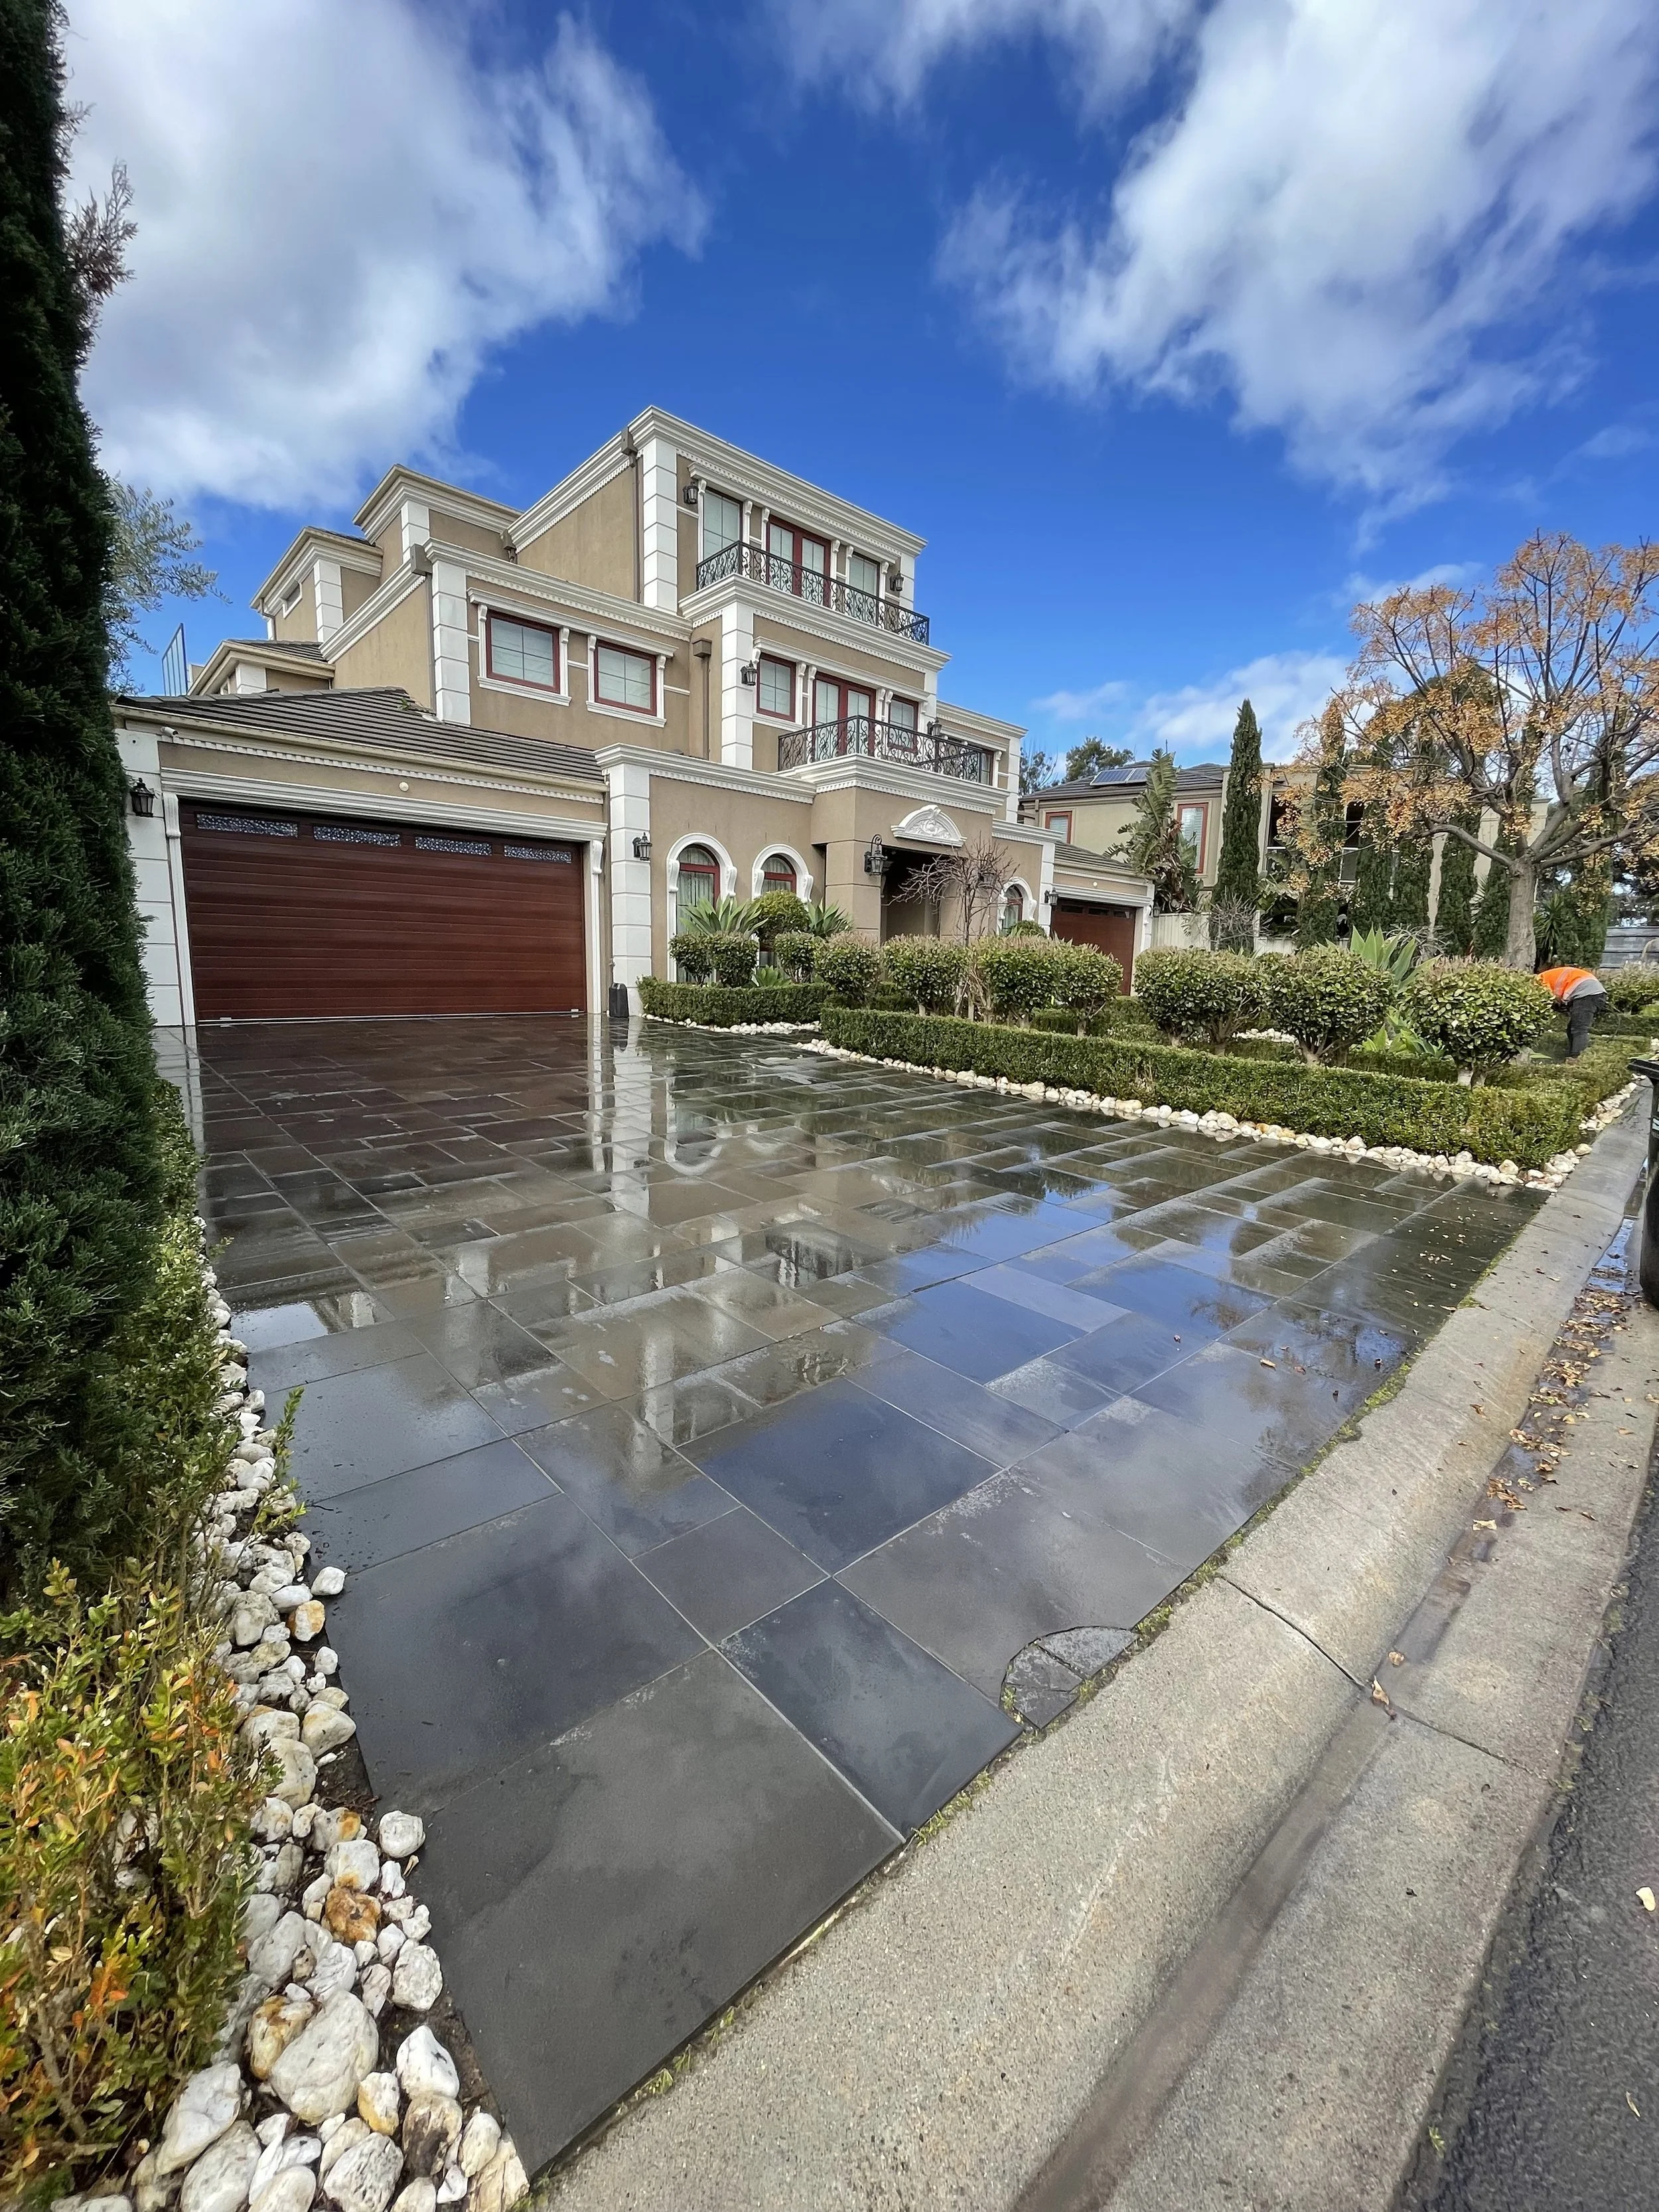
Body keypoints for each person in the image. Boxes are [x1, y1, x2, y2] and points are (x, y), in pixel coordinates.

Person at [1539, 963, 1608, 1057]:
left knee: (1579, 1028)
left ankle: (1578, 1058)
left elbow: (1552, 998)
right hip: (1594, 993)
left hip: (1586, 994)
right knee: (1572, 1029)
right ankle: (1573, 1055)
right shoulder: (1546, 976)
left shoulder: (1539, 981)